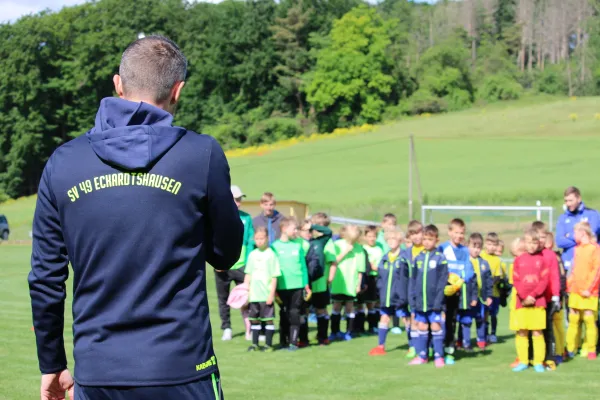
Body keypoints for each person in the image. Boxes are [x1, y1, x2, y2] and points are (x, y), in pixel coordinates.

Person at [28, 35, 243, 400]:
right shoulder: (201, 154)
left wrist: (52, 363)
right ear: (178, 90)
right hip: (182, 370)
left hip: (99, 374)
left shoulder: (63, 163)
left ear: (117, 84)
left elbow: (46, 279)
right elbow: (225, 254)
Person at [216, 185, 254, 341]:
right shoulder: (218, 216)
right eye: (236, 199)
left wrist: (250, 265)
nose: (239, 202)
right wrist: (216, 261)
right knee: (223, 299)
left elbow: (250, 242)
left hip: (242, 265)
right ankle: (227, 328)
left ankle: (249, 329)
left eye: (240, 199)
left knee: (246, 298)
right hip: (222, 266)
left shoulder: (247, 218)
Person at [408, 224, 449, 368]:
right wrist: (412, 297)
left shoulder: (440, 258)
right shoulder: (418, 257)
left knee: (436, 326)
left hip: (434, 302)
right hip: (420, 302)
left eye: (430, 239)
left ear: (436, 240)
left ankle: (439, 356)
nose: (426, 242)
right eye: (424, 239)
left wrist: (439, 301)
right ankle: (422, 356)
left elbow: (442, 282)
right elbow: (413, 280)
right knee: (421, 326)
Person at [512, 229, 549, 373]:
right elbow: (516, 280)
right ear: (524, 243)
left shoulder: (542, 260)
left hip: (537, 302)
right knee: (522, 332)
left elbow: (544, 281)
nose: (532, 245)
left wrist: (533, 296)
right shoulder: (518, 260)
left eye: (535, 242)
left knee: (537, 332)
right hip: (521, 302)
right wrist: (523, 296)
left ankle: (538, 362)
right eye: (529, 242)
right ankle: (523, 361)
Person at [438, 218, 474, 365]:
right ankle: (435, 349)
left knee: (451, 321)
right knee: (438, 320)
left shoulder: (465, 251)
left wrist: (460, 282)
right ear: (450, 232)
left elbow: (468, 270)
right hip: (442, 291)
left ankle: (449, 351)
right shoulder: (442, 248)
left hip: (456, 291)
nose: (459, 236)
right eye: (456, 232)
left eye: (462, 233)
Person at [271, 217, 310, 350]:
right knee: (283, 313)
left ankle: (293, 342)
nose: (296, 232)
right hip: (282, 286)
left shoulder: (297, 246)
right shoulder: (275, 247)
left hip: (297, 286)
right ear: (284, 229)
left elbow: (303, 267)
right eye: (294, 229)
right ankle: (283, 341)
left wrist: (306, 284)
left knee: (295, 313)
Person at [369, 228, 409, 355]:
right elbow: (380, 277)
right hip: (386, 296)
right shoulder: (384, 258)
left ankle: (412, 346)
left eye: (394, 239)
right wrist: (380, 289)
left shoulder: (405, 257)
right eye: (389, 239)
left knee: (406, 319)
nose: (391, 241)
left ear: (400, 240)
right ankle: (381, 346)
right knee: (384, 318)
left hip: (400, 296)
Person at [566, 222, 600, 360]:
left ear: (583, 233)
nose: (573, 236)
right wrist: (568, 286)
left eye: (575, 233)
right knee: (573, 319)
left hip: (589, 292)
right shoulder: (577, 249)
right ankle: (570, 347)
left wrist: (589, 288)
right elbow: (574, 270)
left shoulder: (595, 249)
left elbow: (596, 271)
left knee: (589, 319)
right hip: (575, 290)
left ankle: (591, 348)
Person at [531, 221, 562, 370]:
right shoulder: (529, 255)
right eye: (538, 237)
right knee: (533, 328)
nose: (541, 240)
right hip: (534, 299)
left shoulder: (550, 255)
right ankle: (533, 357)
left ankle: (551, 358)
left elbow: (555, 276)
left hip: (548, 298)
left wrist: (556, 296)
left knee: (548, 329)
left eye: (544, 236)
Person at [245, 227, 281, 352]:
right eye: (257, 239)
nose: (259, 241)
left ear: (267, 239)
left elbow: (274, 277)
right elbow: (248, 273)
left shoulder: (271, 255)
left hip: (266, 295)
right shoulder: (252, 255)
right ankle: (255, 344)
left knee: (268, 320)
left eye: (262, 238)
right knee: (254, 320)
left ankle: (269, 345)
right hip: (254, 294)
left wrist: (271, 294)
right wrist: (245, 290)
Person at [328, 225, 366, 341]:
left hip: (351, 283)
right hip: (338, 282)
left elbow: (360, 270)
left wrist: (358, 284)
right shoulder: (338, 244)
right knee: (336, 306)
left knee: (350, 307)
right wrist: (345, 251)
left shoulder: (359, 248)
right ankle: (334, 331)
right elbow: (333, 261)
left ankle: (349, 331)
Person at [308, 212, 337, 345]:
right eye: (317, 224)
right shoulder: (310, 241)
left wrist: (330, 278)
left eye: (321, 225)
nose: (318, 228)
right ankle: (304, 338)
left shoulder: (327, 243)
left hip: (321, 283)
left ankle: (323, 336)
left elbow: (332, 262)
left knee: (321, 309)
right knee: (306, 310)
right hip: (308, 283)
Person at [556, 186, 600, 271]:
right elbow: (559, 241)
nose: (568, 204)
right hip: (569, 265)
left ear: (579, 199)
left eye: (570, 200)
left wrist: (568, 235)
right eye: (566, 201)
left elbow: (591, 235)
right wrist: (581, 237)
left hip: (589, 263)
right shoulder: (563, 218)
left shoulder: (593, 214)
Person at [401, 220, 425, 359]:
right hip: (411, 291)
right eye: (413, 234)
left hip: (426, 291)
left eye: (418, 233)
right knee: (412, 319)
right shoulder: (406, 253)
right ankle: (413, 347)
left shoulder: (428, 250)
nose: (416, 236)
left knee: (425, 320)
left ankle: (426, 347)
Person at [545, 232, 567, 364]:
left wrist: (558, 296)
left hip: (556, 298)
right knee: (553, 325)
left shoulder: (555, 258)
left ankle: (559, 351)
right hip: (552, 297)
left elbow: (561, 278)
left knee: (556, 326)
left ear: (550, 243)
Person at [468, 233, 493, 350]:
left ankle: (481, 340)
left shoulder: (484, 263)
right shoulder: (466, 262)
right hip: (467, 298)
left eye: (478, 247)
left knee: (481, 319)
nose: (476, 250)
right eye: (473, 246)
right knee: (466, 320)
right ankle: (463, 341)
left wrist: (489, 296)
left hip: (481, 298)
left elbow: (489, 281)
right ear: (468, 246)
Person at [363, 225, 386, 334]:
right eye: (369, 236)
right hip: (369, 277)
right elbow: (369, 265)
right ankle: (366, 326)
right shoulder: (364, 249)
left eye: (374, 236)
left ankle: (374, 325)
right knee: (368, 303)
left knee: (377, 302)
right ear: (365, 237)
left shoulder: (379, 248)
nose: (372, 238)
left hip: (379, 277)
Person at [481, 232, 503, 343]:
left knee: (493, 314)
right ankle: (483, 335)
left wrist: (490, 283)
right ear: (485, 244)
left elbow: (498, 276)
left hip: (494, 293)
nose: (492, 247)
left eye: (494, 245)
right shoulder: (481, 255)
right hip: (482, 294)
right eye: (489, 244)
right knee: (484, 315)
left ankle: (493, 334)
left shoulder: (497, 260)